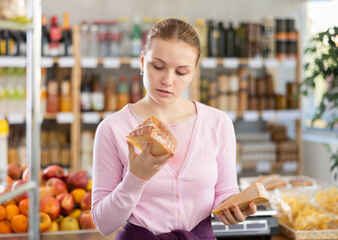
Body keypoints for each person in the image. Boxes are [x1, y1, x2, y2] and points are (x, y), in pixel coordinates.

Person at [91, 18, 257, 240]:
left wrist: (232, 209)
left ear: (193, 73)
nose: (167, 80)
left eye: (181, 72)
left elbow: (224, 195)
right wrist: (136, 178)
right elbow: (104, 224)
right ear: (142, 61)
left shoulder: (218, 123)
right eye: (158, 66)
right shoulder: (112, 129)